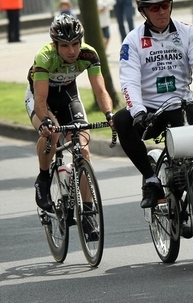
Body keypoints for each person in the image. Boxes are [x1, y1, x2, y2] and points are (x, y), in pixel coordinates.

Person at [113, 0, 193, 209]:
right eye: (154, 8)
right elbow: (130, 81)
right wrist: (138, 112)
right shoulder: (133, 41)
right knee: (120, 120)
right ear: (143, 11)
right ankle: (151, 179)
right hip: (151, 112)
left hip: (182, 107)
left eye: (165, 5)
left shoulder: (187, 33)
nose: (162, 11)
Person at [25, 14, 115, 238]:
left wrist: (110, 115)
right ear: (55, 45)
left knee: (83, 149)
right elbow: (40, 100)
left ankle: (87, 213)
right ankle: (44, 178)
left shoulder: (89, 54)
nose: (71, 51)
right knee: (52, 135)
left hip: (68, 97)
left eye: (75, 44)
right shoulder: (44, 57)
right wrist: (46, 120)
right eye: (65, 46)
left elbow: (101, 90)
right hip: (41, 98)